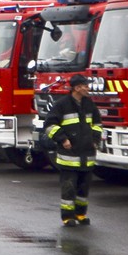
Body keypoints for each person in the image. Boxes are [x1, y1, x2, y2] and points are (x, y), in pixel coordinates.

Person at [44, 74, 103, 227]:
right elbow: (49, 125)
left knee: (84, 188)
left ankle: (80, 214)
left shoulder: (89, 104)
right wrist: (63, 139)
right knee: (69, 188)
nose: (88, 88)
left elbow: (97, 124)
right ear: (77, 88)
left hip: (87, 155)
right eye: (85, 86)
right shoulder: (62, 105)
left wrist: (95, 140)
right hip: (69, 157)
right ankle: (67, 216)